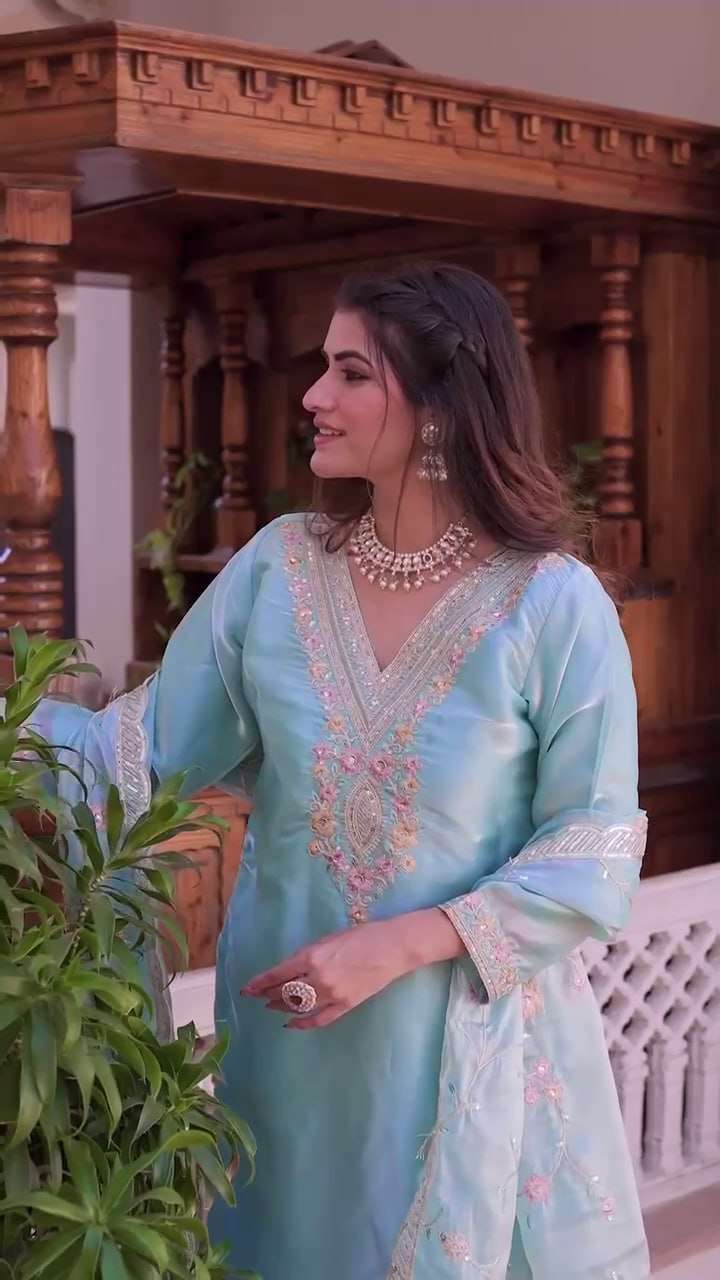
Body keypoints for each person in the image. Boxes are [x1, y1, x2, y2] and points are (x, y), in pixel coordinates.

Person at [29, 264, 650, 1280]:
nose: (314, 395)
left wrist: (394, 945)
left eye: (351, 372)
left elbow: (594, 847)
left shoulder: (550, 603)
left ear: (443, 405)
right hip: (288, 1048)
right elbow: (131, 759)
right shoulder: (278, 571)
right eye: (323, 367)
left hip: (460, 1055)